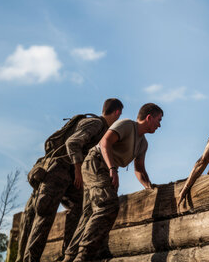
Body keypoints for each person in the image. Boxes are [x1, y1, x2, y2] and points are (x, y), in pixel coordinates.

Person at [16, 98, 123, 262]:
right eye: (119, 114)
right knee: (44, 218)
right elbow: (72, 143)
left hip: (68, 176)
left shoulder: (99, 126)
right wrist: (78, 170)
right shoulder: (96, 123)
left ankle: (68, 255)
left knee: (80, 207)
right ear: (116, 112)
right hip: (58, 171)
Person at [61, 103, 163, 262]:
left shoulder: (143, 144)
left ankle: (69, 257)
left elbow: (139, 170)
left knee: (89, 213)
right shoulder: (127, 125)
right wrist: (113, 169)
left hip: (105, 169)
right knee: (108, 205)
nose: (159, 125)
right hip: (95, 163)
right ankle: (83, 257)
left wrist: (149, 187)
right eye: (158, 120)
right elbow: (104, 143)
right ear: (149, 117)